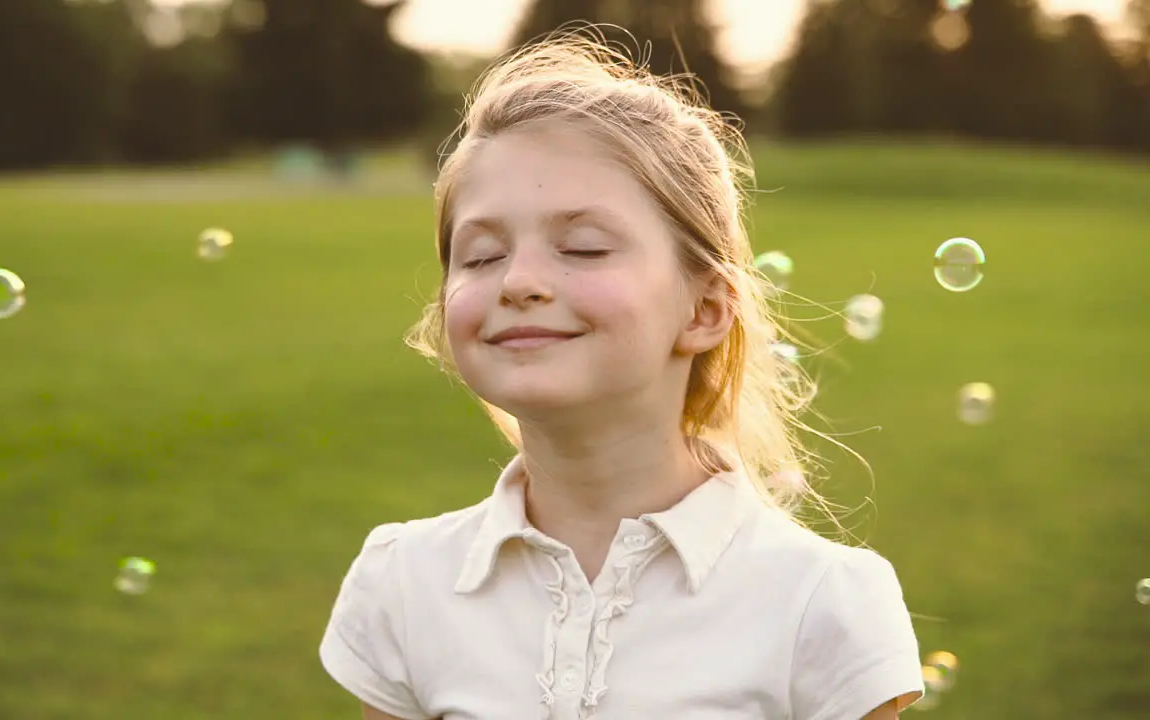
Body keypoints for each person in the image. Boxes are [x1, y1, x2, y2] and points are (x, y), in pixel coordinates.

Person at [319, 28, 924, 720]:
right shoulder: (406, 581)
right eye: (481, 256)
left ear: (703, 310)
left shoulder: (821, 603)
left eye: (582, 246)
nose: (519, 280)